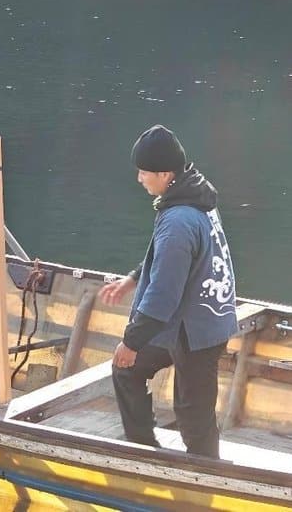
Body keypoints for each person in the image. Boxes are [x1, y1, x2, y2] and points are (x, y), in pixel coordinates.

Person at [98, 124, 237, 458]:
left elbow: (163, 294)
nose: (139, 179)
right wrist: (133, 278)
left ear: (164, 173)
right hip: (187, 322)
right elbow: (168, 260)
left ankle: (206, 481)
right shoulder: (194, 196)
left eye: (144, 172)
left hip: (198, 331)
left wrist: (132, 341)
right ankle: (144, 452)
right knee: (126, 370)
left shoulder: (178, 220)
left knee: (193, 416)